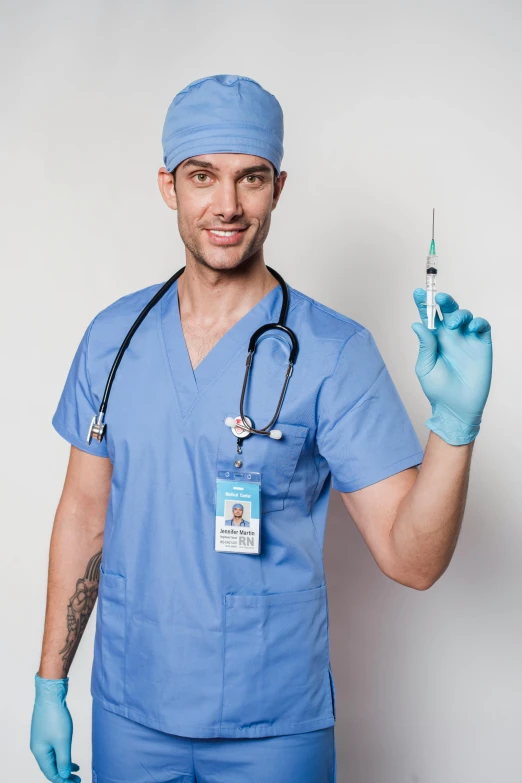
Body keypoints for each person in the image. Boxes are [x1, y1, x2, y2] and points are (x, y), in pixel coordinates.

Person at [30, 74, 493, 783]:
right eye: (202, 176)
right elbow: (85, 514)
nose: (226, 204)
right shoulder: (112, 340)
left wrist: (454, 426)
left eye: (249, 178)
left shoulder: (334, 352)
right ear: (168, 185)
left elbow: (413, 559)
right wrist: (50, 683)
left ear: (277, 186)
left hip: (271, 730)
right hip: (129, 710)